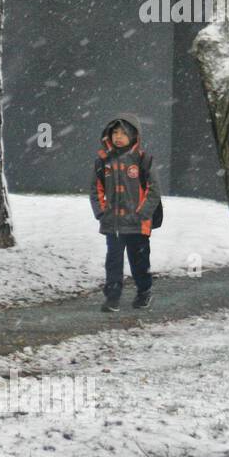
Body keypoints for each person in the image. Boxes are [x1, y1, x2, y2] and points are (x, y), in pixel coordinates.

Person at [90, 113, 161, 312]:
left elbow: (153, 190)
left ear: (134, 136)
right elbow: (96, 190)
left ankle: (144, 291)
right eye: (115, 133)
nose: (118, 137)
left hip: (138, 223)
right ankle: (112, 297)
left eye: (123, 133)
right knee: (113, 261)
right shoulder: (103, 161)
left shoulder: (143, 160)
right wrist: (101, 213)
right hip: (113, 223)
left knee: (139, 260)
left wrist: (141, 214)